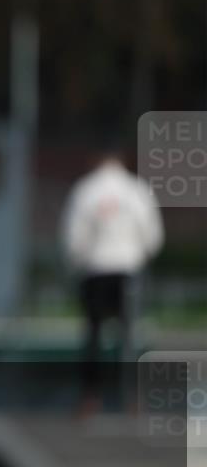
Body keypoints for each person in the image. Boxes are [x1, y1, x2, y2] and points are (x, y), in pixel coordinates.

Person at [60, 150, 164, 414]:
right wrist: (140, 257)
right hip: (128, 269)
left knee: (93, 335)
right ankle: (132, 399)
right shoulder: (136, 189)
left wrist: (77, 263)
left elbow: (73, 237)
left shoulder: (85, 190)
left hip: (95, 270)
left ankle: (90, 398)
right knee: (129, 335)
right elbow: (152, 234)